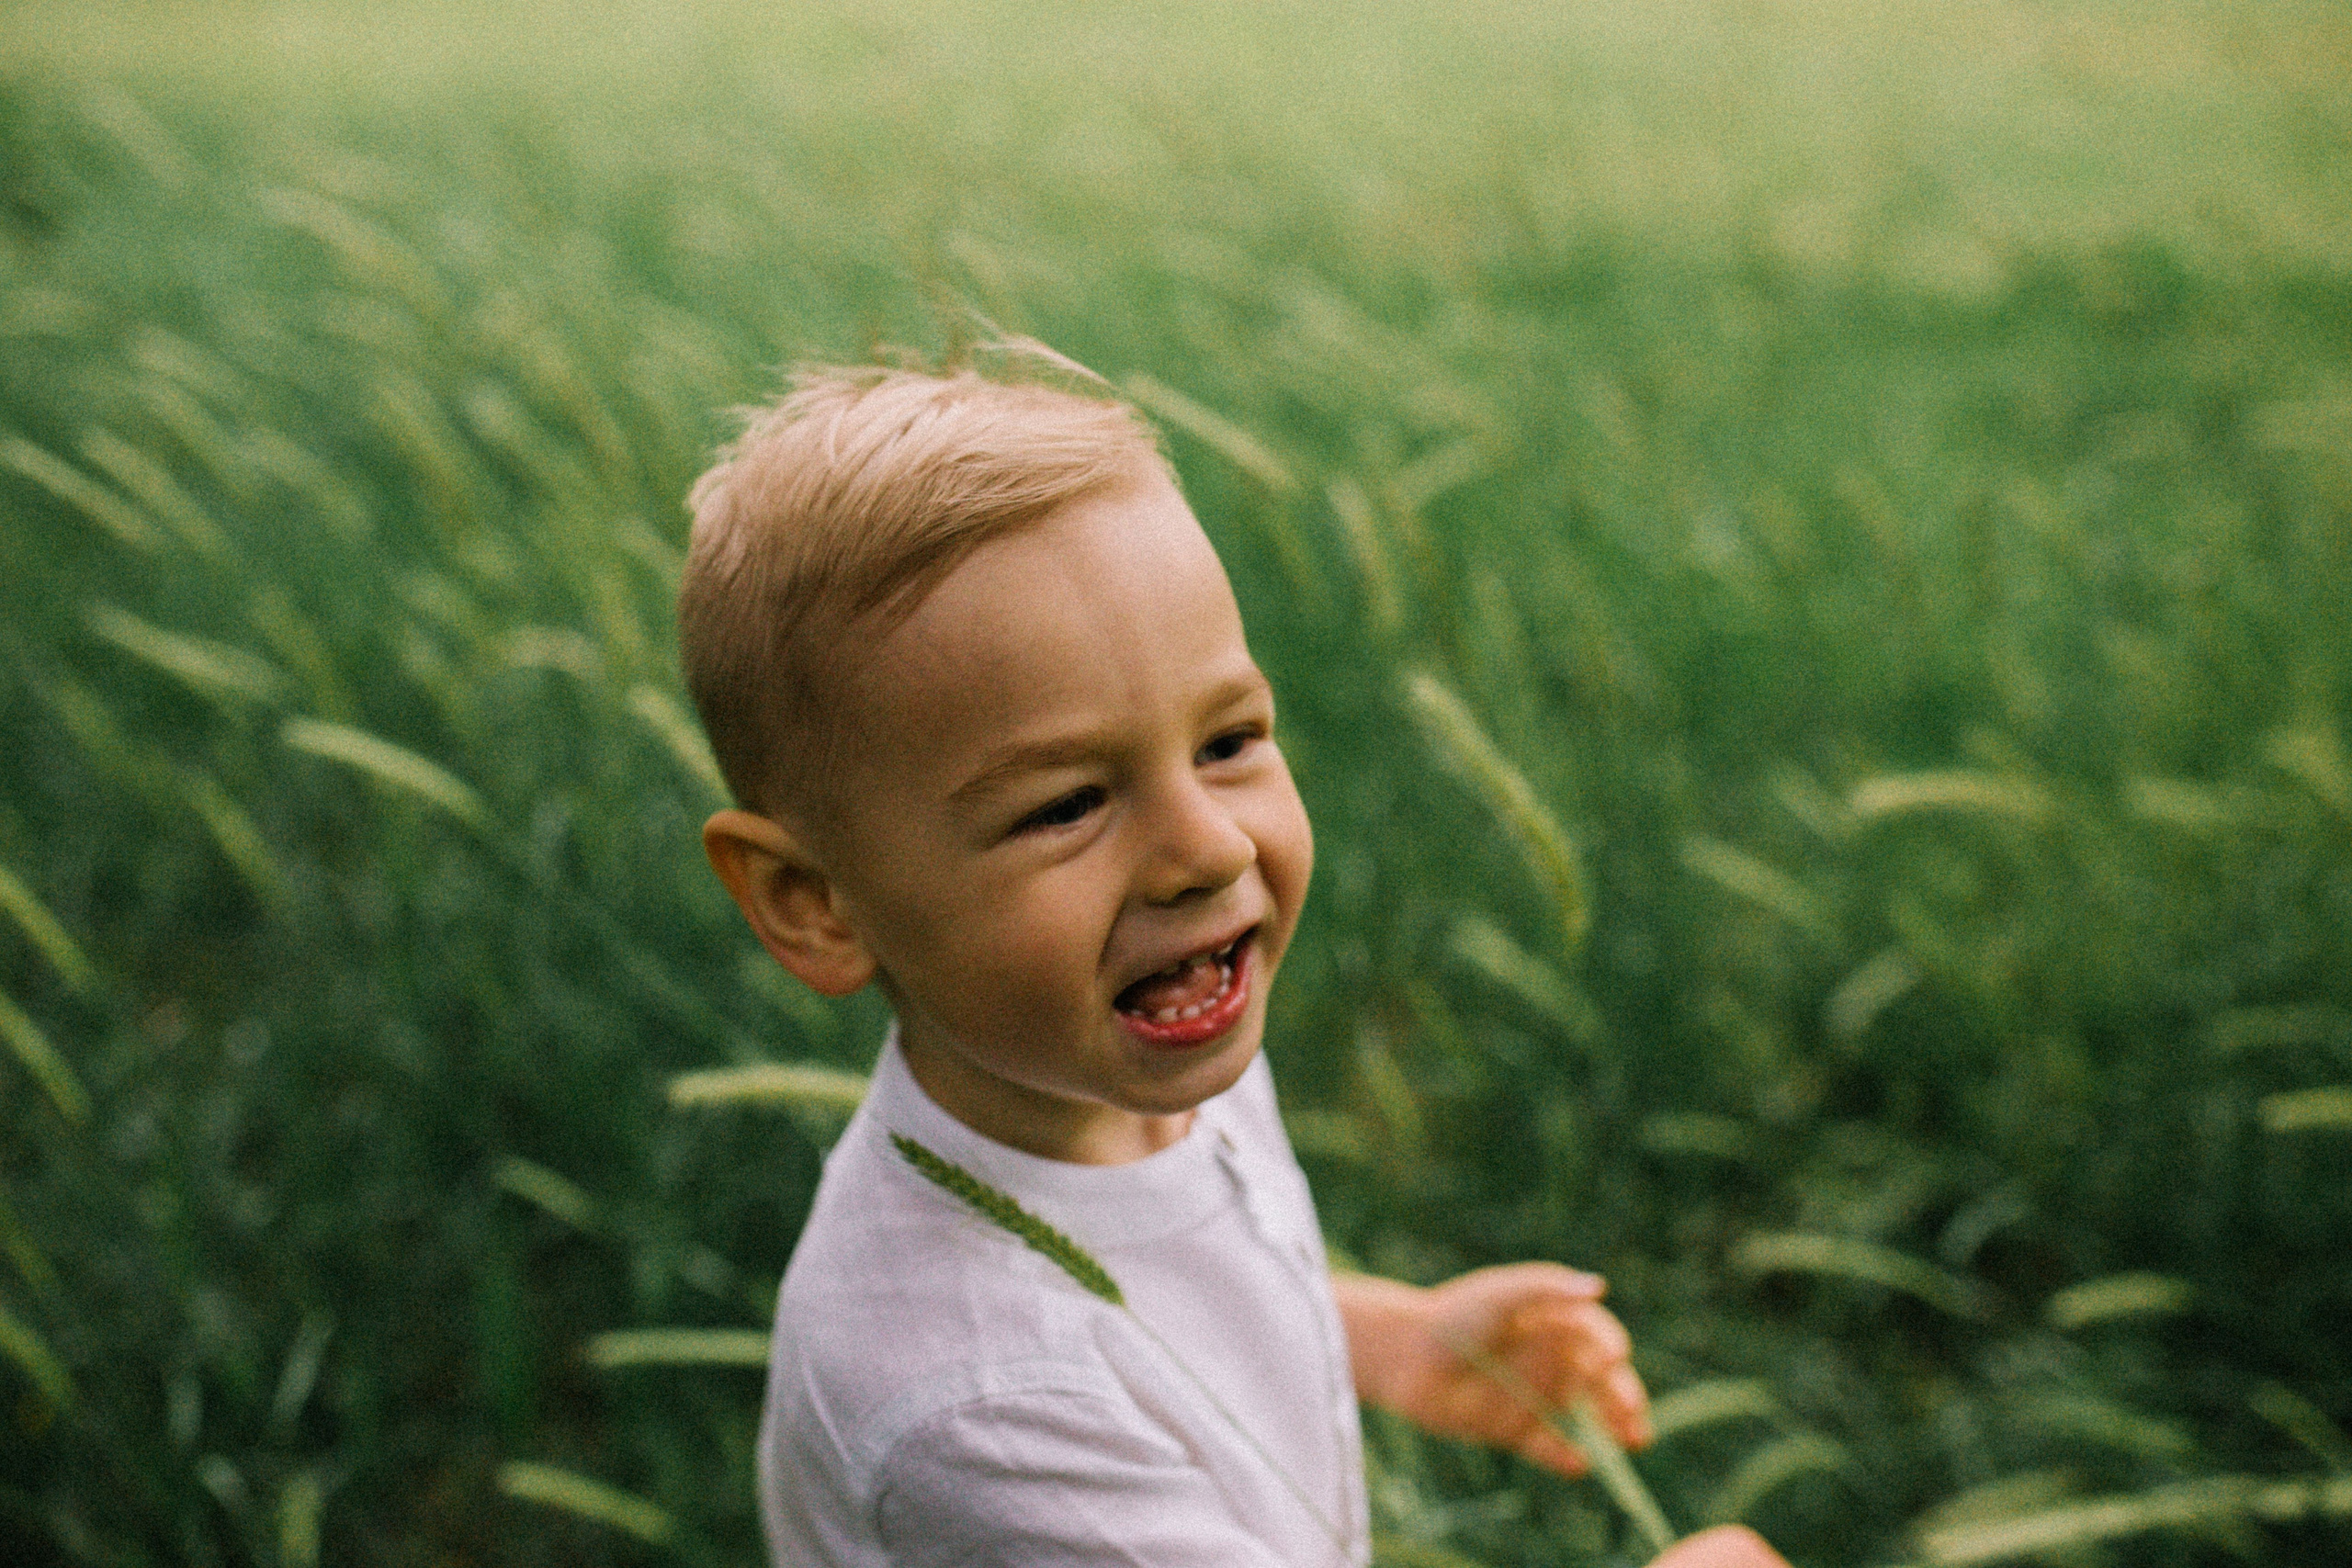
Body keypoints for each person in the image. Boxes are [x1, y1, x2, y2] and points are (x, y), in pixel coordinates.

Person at [683, 343, 1651, 1567]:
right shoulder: (976, 1403)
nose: (1202, 847)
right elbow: (1078, 1363)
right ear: (815, 902)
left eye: (1229, 740)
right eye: (1065, 806)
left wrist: (1391, 1339)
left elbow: (1156, 1311)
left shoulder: (1147, 1037)